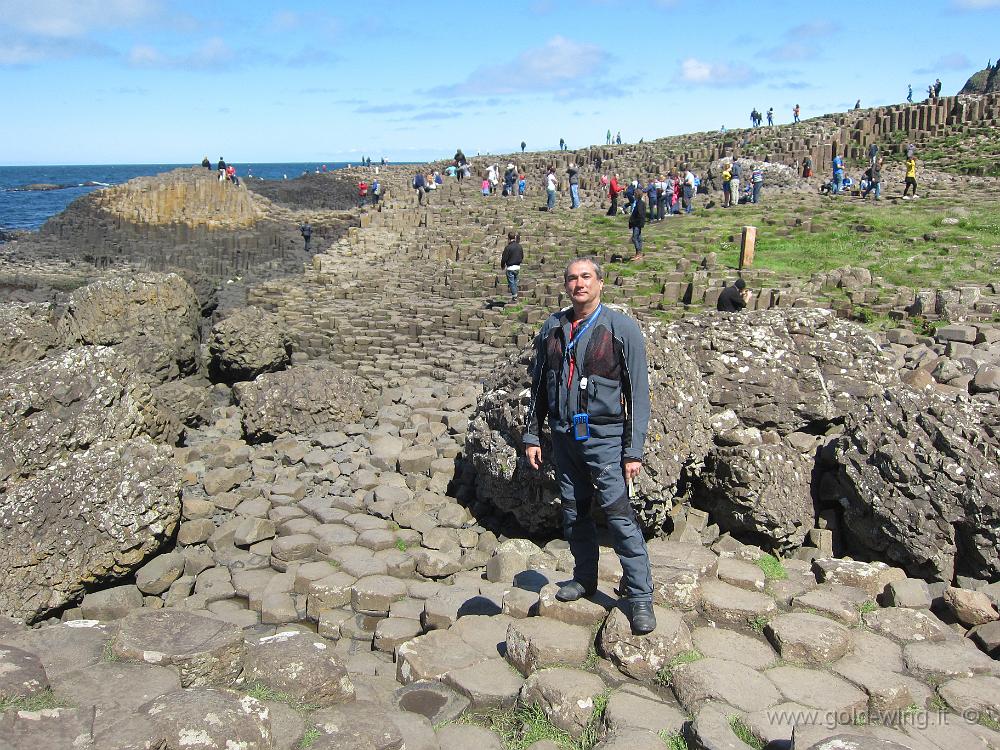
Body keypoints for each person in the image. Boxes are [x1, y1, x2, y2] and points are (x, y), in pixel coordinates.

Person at [524, 257, 656, 635]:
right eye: (572, 278)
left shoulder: (621, 328)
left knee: (618, 514)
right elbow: (539, 387)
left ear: (600, 283)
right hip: (565, 437)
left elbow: (638, 395)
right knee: (573, 511)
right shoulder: (553, 326)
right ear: (565, 286)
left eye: (586, 277)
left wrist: (633, 451)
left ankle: (640, 596)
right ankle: (585, 578)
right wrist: (533, 435)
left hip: (605, 438)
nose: (579, 284)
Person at [501, 231, 524, 301]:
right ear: (514, 238)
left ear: (508, 238)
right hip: (517, 267)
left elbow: (504, 258)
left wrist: (502, 265)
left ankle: (515, 297)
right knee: (515, 282)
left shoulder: (508, 248)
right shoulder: (519, 246)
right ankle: (515, 295)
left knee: (511, 283)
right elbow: (522, 256)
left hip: (510, 268)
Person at [629, 193, 645, 257]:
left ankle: (638, 252)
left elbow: (640, 214)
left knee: (634, 238)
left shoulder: (639, 204)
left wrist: (634, 221)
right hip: (638, 223)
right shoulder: (641, 203)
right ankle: (638, 252)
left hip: (637, 223)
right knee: (638, 237)